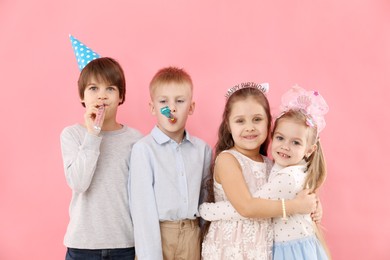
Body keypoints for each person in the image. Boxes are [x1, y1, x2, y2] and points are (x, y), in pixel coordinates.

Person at [200, 82, 318, 260]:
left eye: (257, 119)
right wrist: (295, 207)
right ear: (228, 126)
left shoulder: (272, 164)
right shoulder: (227, 160)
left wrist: (314, 203)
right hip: (231, 247)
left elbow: (292, 187)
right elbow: (246, 207)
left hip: (261, 247)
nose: (250, 127)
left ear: (269, 122)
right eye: (240, 121)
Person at [61, 35, 142, 260]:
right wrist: (93, 133)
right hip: (82, 246)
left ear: (121, 96)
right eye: (93, 88)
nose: (102, 95)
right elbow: (78, 183)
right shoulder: (73, 135)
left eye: (111, 88)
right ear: (82, 96)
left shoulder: (136, 140)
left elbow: (141, 195)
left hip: (124, 245)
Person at [129, 67, 212, 260]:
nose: (172, 108)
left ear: (191, 107)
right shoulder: (144, 150)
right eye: (163, 102)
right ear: (152, 107)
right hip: (159, 236)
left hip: (192, 236)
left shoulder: (203, 150)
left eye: (180, 101)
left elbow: (205, 201)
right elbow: (142, 210)